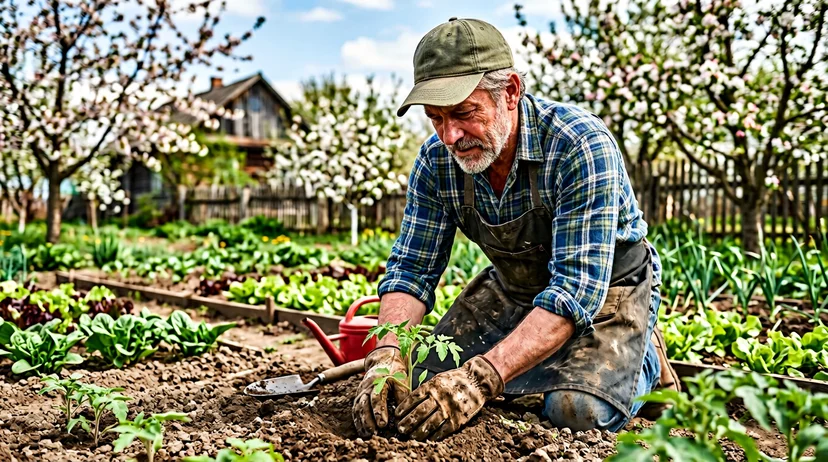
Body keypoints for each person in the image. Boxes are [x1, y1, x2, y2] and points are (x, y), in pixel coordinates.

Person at [351, 17, 679, 442]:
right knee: (415, 383)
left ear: (510, 92)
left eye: (464, 113)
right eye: (435, 118)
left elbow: (576, 290)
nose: (450, 135)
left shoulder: (578, 145)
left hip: (605, 292)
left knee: (574, 411)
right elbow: (411, 269)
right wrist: (387, 354)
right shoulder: (436, 161)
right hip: (514, 289)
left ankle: (644, 362)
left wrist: (481, 379)